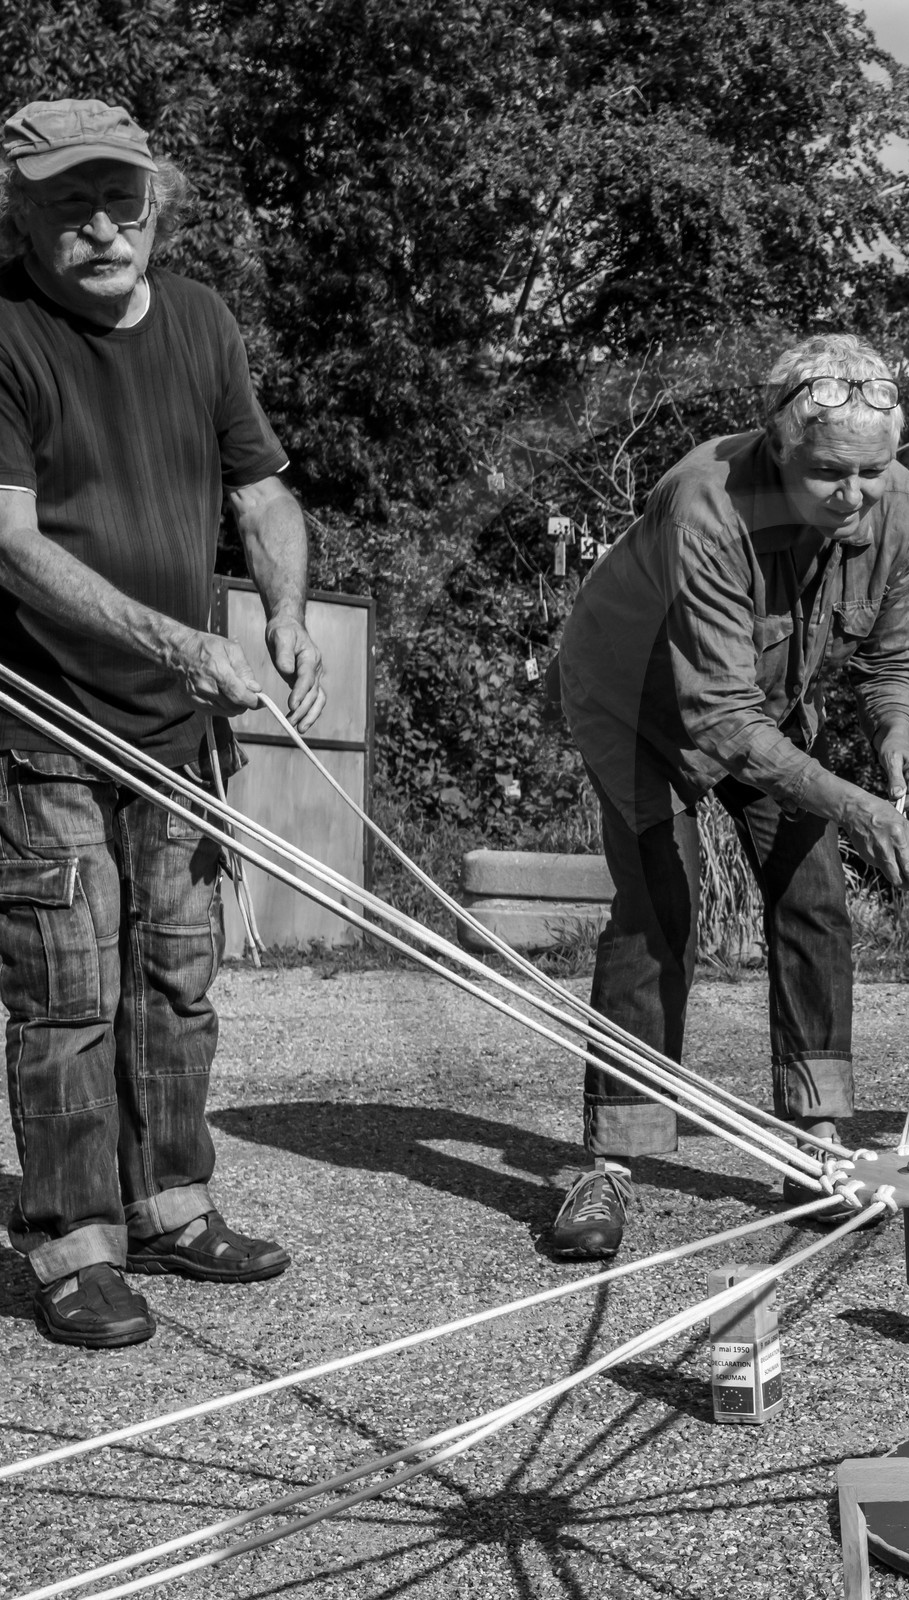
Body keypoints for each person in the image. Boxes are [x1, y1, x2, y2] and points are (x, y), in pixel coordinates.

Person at [0, 99, 325, 1347]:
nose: (100, 227)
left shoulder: (200, 322)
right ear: (22, 214)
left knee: (174, 979)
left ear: (156, 205)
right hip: (45, 720)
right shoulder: (7, 333)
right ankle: (74, 1241)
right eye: (68, 205)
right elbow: (12, 544)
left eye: (120, 200)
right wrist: (182, 642)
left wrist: (284, 611)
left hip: (176, 733)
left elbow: (262, 492)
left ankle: (170, 1203)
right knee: (68, 989)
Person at [552, 333, 909, 1258]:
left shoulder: (901, 507)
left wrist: (894, 734)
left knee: (813, 889)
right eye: (831, 474)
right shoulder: (705, 504)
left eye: (872, 474)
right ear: (778, 446)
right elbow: (719, 727)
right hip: (634, 702)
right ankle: (612, 1162)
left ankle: (814, 1138)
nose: (854, 497)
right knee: (661, 903)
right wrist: (853, 803)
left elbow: (894, 657)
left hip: (762, 703)